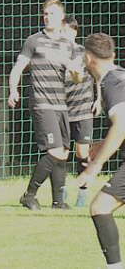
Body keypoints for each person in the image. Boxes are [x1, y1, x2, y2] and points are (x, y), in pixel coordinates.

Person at [8, 0, 81, 210]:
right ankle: (29, 195)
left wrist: (76, 74)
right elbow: (18, 67)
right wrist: (14, 89)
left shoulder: (69, 45)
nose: (47, 17)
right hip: (42, 103)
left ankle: (58, 201)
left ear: (61, 18)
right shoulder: (33, 41)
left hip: (61, 105)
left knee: (64, 153)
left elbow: (76, 78)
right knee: (55, 152)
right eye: (45, 13)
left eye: (51, 14)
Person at [77, 33, 125, 269]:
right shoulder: (119, 76)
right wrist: (100, 146)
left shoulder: (112, 82)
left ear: (88, 58)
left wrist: (94, 168)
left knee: (100, 207)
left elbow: (123, 124)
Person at [62, 16, 99, 207]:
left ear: (75, 32)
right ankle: (60, 193)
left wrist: (98, 98)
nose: (64, 35)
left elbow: (97, 76)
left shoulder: (84, 54)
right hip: (62, 109)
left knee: (82, 152)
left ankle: (83, 193)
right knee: (61, 153)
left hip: (83, 109)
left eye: (68, 31)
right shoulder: (57, 53)